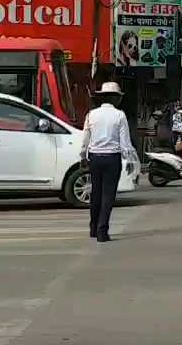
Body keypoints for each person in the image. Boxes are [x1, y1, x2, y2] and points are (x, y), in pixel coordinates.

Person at [81, 81, 136, 242]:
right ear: (115, 98)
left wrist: (83, 156)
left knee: (95, 193)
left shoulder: (91, 114)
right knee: (108, 196)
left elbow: (85, 139)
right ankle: (102, 231)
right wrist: (130, 159)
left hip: (95, 157)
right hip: (112, 158)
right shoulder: (120, 115)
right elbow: (125, 142)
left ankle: (93, 228)